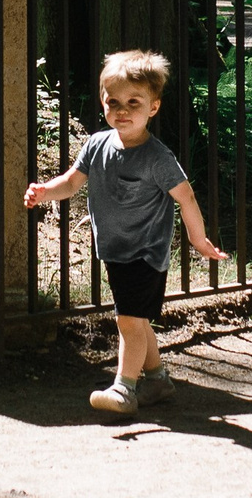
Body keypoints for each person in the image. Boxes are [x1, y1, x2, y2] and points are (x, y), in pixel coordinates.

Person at [22, 50, 229, 416]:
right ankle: (158, 380)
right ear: (103, 102)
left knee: (127, 320)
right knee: (136, 317)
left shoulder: (157, 157)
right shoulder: (96, 144)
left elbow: (186, 197)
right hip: (115, 250)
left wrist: (198, 240)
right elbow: (71, 183)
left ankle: (124, 388)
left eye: (134, 102)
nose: (122, 110)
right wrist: (44, 192)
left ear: (153, 107)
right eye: (113, 101)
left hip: (146, 253)